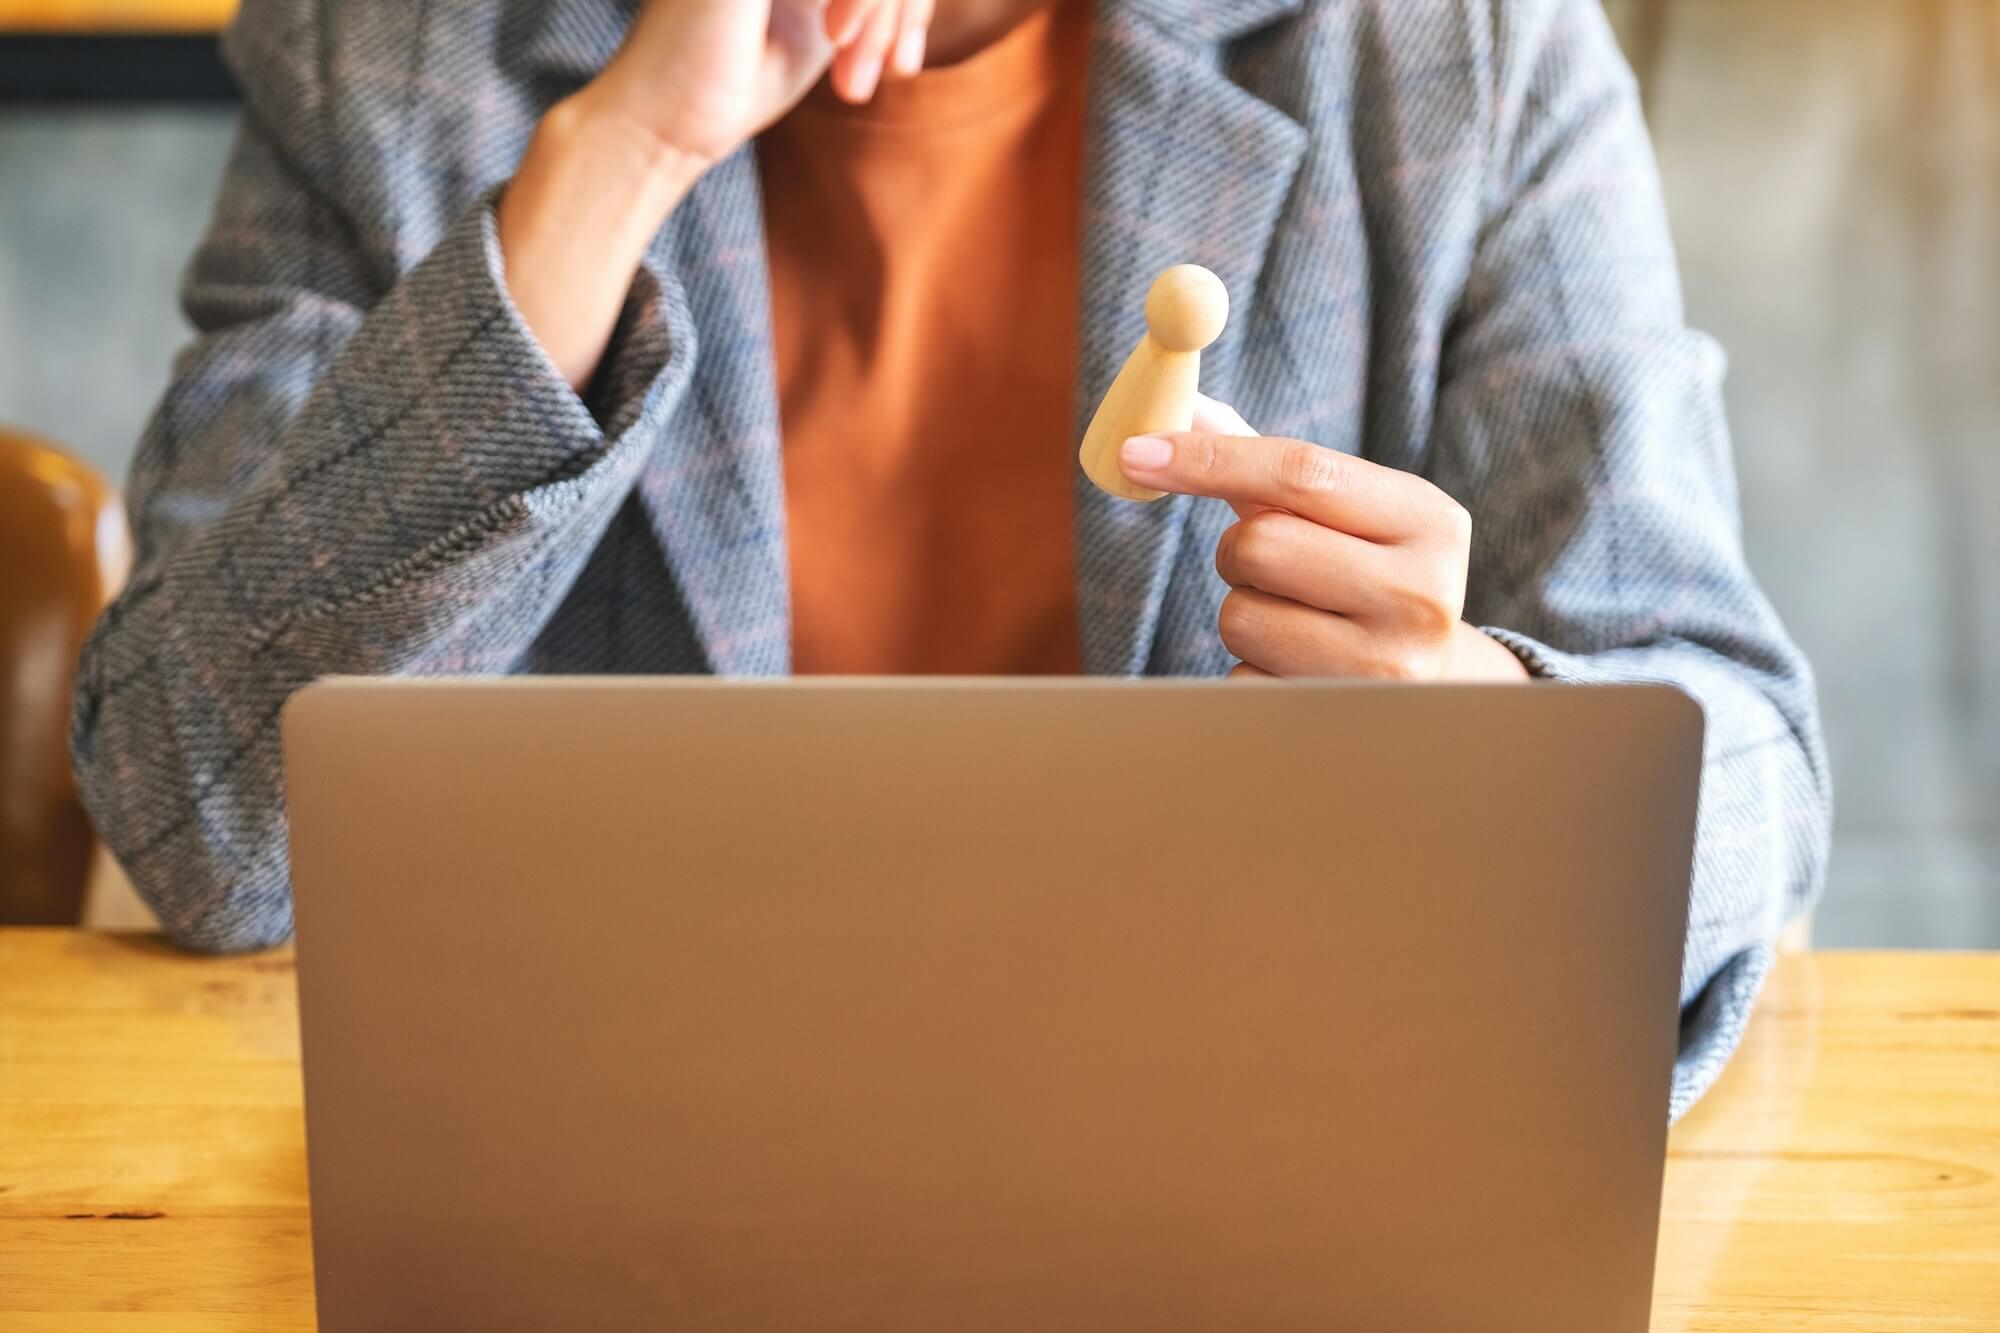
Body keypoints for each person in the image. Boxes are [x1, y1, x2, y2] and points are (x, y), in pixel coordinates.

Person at [71, 0, 1831, 1117]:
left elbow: (1742, 749)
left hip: (1233, 1170)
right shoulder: (379, 56)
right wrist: (620, 157)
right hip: (622, 1175)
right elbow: (194, 804)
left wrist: (1500, 738)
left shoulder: (1462, 55)